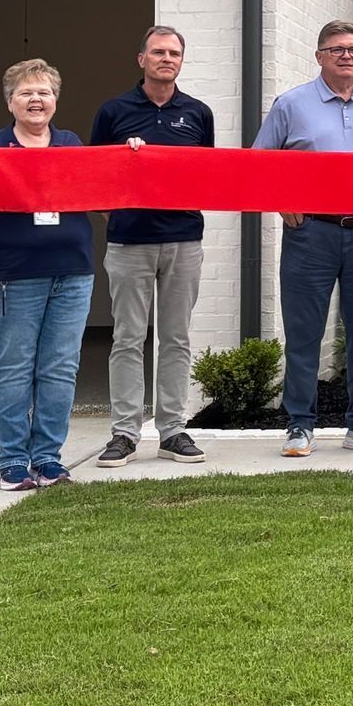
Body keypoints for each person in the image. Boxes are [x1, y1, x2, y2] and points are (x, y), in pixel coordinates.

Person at [253, 20, 353, 459]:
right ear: (319, 56)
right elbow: (259, 165)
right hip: (311, 234)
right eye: (337, 49)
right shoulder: (291, 105)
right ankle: (299, 426)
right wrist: (281, 202)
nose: (347, 56)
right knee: (304, 333)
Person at [0, 60, 111, 490]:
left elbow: (106, 192)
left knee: (60, 368)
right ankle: (13, 462)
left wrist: (129, 154)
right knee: (14, 368)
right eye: (26, 93)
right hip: (13, 277)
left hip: (72, 274)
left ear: (55, 101)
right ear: (10, 101)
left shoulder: (72, 145)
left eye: (44, 92)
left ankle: (48, 459)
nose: (36, 100)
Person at [88, 26, 214, 468]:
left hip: (183, 241)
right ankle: (124, 433)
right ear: (141, 58)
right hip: (128, 243)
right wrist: (121, 213)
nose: (167, 58)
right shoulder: (113, 111)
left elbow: (206, 176)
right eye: (158, 51)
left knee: (175, 338)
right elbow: (96, 179)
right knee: (127, 338)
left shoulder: (198, 113)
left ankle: (173, 430)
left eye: (174, 53)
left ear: (182, 61)